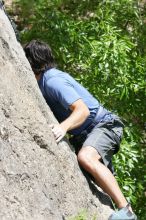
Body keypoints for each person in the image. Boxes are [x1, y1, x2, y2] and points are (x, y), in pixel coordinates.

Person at [24, 40, 137, 220]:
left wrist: (63, 127)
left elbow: (82, 110)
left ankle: (127, 212)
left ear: (31, 62)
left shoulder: (52, 81)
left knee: (86, 158)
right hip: (87, 133)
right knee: (92, 176)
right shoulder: (43, 83)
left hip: (103, 125)